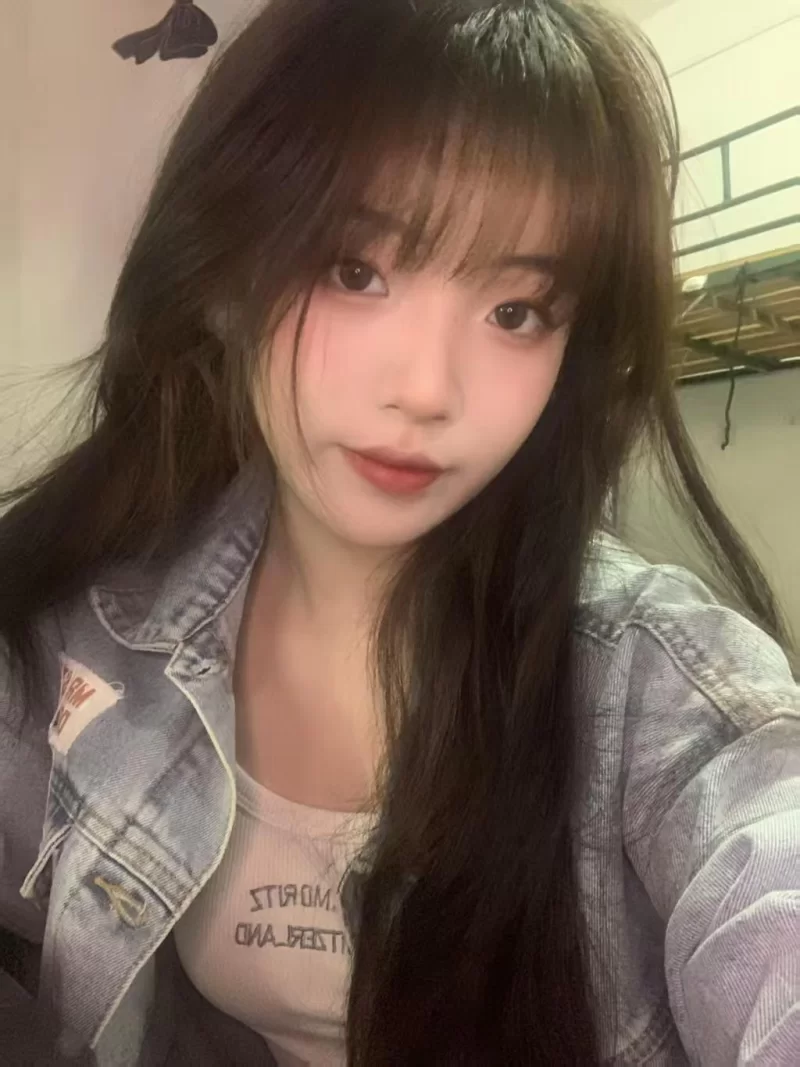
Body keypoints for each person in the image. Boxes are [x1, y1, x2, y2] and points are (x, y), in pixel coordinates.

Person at [1, 0, 798, 1064]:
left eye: (517, 311)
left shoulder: (653, 685)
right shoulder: (93, 633)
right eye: (354, 270)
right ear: (227, 278)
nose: (427, 390)